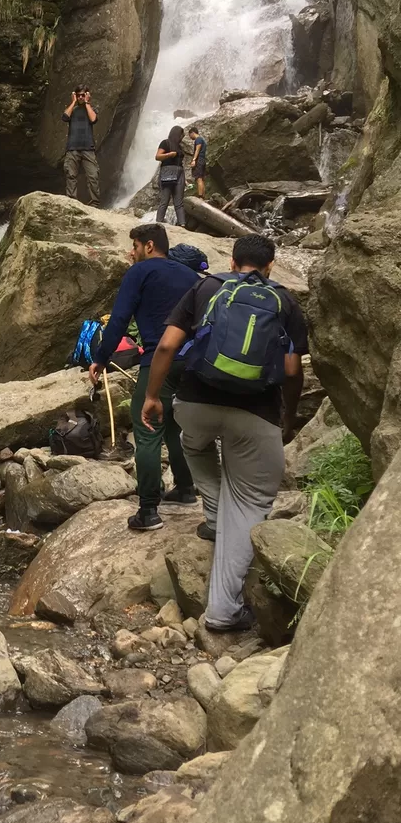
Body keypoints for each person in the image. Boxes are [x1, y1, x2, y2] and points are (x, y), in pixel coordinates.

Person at [141, 234, 307, 631]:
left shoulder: (207, 286)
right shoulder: (285, 302)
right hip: (255, 413)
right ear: (270, 266)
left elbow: (166, 347)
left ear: (232, 262)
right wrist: (288, 418)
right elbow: (290, 371)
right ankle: (222, 611)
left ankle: (214, 511)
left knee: (192, 443)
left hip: (195, 404)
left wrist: (152, 396)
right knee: (248, 501)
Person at [89, 223, 200, 532]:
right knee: (176, 426)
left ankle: (148, 510)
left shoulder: (140, 273)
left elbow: (119, 319)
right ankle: (186, 488)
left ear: (149, 246)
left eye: (135, 246)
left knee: (148, 427)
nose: (131, 253)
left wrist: (100, 359)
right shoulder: (191, 276)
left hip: (159, 361)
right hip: (193, 363)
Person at [62, 86, 100, 207]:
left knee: (93, 175)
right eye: (78, 95)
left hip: (88, 148)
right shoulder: (72, 109)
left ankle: (94, 203)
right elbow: (64, 117)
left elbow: (93, 119)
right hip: (72, 148)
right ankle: (71, 202)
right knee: (71, 175)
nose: (80, 97)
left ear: (87, 95)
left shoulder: (92, 109)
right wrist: (73, 102)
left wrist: (87, 102)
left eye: (83, 95)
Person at [155, 124, 187, 226]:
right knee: (165, 199)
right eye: (181, 135)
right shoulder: (165, 143)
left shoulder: (179, 147)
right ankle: (158, 222)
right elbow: (158, 156)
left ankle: (182, 224)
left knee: (179, 201)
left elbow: (180, 163)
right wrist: (169, 154)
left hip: (179, 174)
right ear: (176, 134)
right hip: (167, 173)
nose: (182, 138)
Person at [189, 125, 207, 199]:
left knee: (198, 178)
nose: (190, 137)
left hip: (199, 160)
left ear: (192, 133)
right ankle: (203, 196)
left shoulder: (198, 139)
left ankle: (200, 197)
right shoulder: (202, 139)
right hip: (203, 160)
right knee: (202, 179)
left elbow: (197, 149)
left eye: (190, 135)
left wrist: (194, 160)